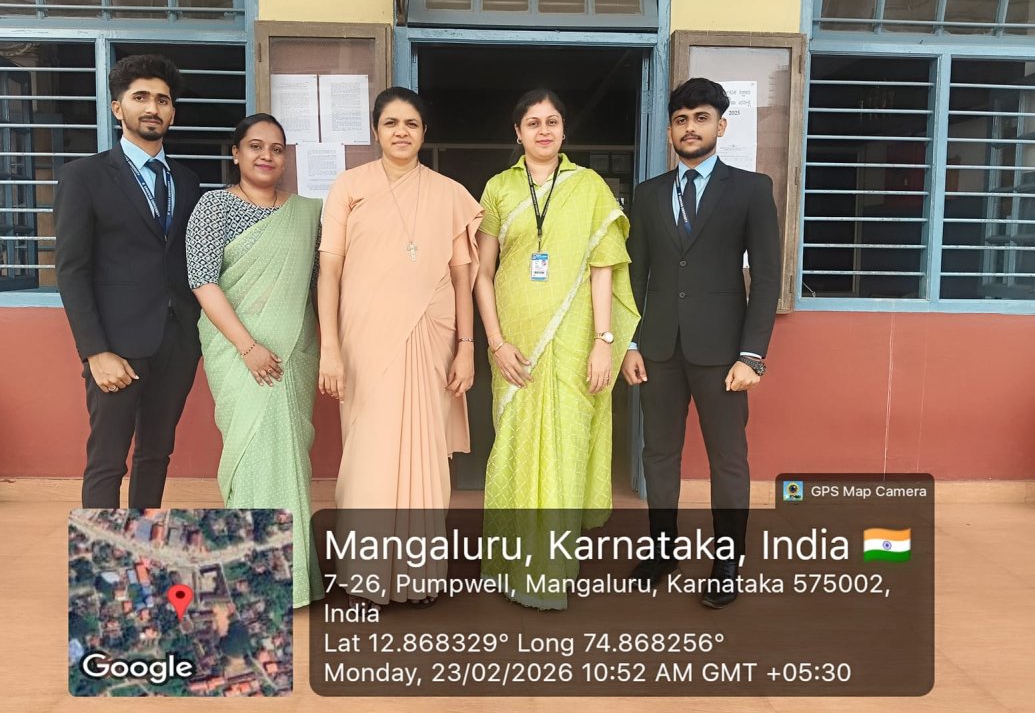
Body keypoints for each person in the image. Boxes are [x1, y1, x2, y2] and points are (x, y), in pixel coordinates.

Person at [474, 89, 640, 610]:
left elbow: (604, 267)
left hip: (573, 341)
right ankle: (510, 566)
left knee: (566, 444)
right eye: (532, 122)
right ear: (517, 134)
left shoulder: (588, 187)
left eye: (552, 121)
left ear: (565, 130)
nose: (543, 130)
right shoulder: (499, 188)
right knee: (515, 444)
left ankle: (551, 571)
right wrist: (495, 341)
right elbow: (481, 272)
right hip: (515, 340)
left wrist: (603, 342)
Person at [317, 87, 482, 606]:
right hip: (363, 339)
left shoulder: (450, 193)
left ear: (424, 132)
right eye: (391, 123)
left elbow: (463, 278)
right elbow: (329, 271)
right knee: (369, 450)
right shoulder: (349, 186)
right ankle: (367, 574)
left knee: (425, 453)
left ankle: (419, 576)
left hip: (432, 337)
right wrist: (329, 349)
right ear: (376, 130)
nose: (401, 132)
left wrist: (467, 346)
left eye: (412, 123)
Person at [623, 77, 781, 608]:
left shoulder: (751, 189)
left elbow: (767, 277)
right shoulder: (647, 195)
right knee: (659, 455)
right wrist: (630, 344)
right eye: (681, 119)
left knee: (728, 460)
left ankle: (726, 563)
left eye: (701, 118)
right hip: (659, 350)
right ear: (670, 129)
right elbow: (633, 278)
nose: (691, 128)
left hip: (724, 356)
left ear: (721, 124)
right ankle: (662, 549)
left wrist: (753, 355)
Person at [186, 113, 325, 609]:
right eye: (255, 146)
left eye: (277, 148)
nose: (267, 155)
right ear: (236, 154)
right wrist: (248, 346)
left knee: (290, 454)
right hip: (238, 352)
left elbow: (317, 287)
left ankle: (296, 580)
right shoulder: (214, 207)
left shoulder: (310, 213)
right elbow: (203, 280)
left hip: (296, 351)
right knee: (249, 455)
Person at [55, 54, 201, 508]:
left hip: (177, 341)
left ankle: (144, 550)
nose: (153, 107)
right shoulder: (85, 176)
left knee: (156, 454)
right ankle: (104, 570)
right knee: (107, 460)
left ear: (172, 112)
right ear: (118, 108)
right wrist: (95, 351)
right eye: (141, 97)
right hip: (116, 346)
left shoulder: (188, 180)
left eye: (163, 99)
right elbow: (72, 270)